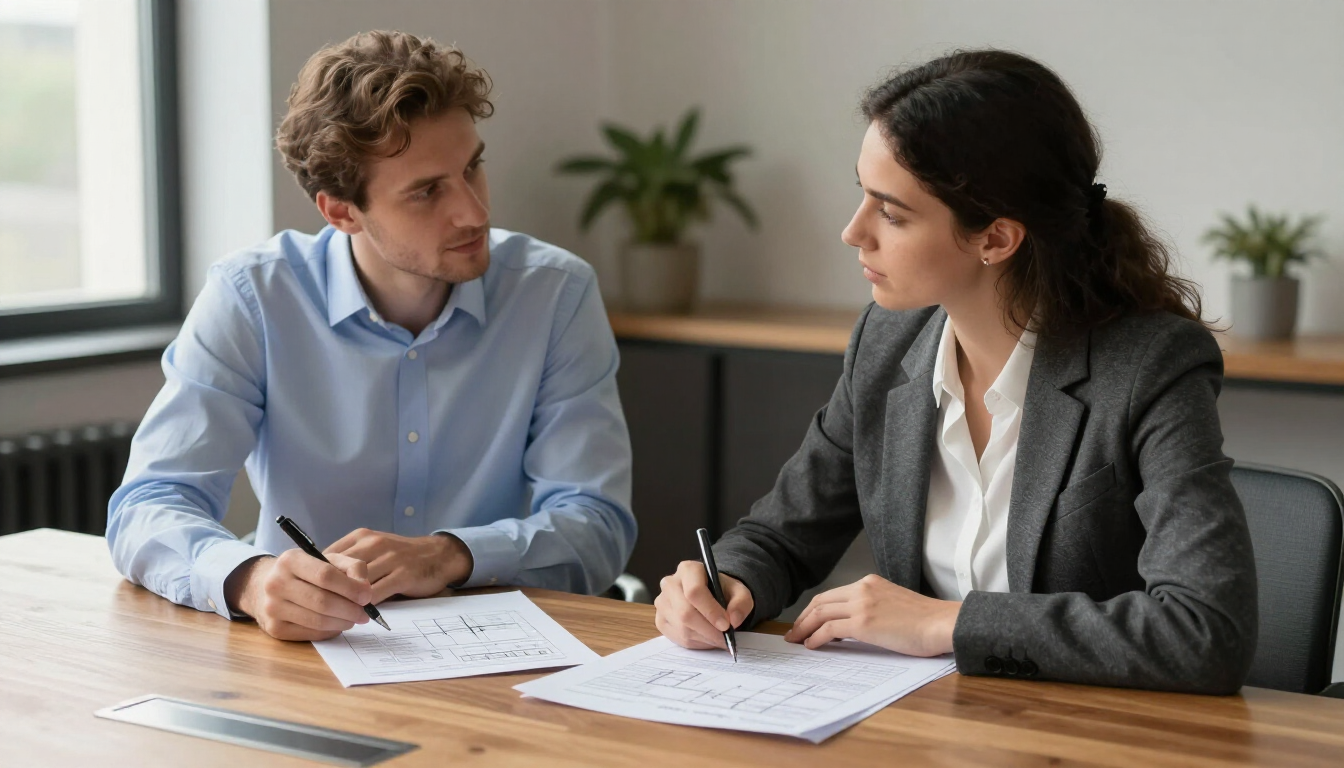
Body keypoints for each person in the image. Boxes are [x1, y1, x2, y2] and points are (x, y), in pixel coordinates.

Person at [654, 49, 1257, 694]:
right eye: (863, 195)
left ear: (996, 238)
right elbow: (783, 533)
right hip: (927, 725)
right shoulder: (887, 341)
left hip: (1089, 736)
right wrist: (726, 584)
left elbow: (1205, 631)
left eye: (892, 213)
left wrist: (950, 623)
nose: (853, 232)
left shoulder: (1149, 366)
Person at [107, 31, 635, 641]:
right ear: (340, 211)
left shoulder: (555, 294)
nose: (474, 212)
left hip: (502, 657)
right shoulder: (253, 299)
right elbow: (149, 504)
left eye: (472, 168)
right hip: (307, 655)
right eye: (427, 191)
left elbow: (597, 524)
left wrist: (450, 554)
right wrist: (249, 579)